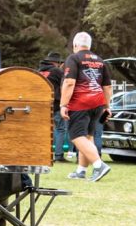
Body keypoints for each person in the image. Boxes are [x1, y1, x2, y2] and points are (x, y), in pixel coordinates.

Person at [61, 32, 112, 182]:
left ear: (75, 45)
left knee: (76, 136)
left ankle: (99, 165)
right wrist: (107, 106)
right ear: (89, 45)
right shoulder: (100, 60)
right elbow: (107, 87)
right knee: (88, 137)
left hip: (80, 103)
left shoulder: (73, 58)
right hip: (97, 104)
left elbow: (69, 82)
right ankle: (81, 171)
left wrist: (63, 104)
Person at [38, 52, 69, 162]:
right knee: (60, 129)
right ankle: (58, 155)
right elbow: (65, 84)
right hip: (55, 104)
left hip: (41, 104)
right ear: (56, 62)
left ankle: (44, 154)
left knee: (45, 130)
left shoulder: (39, 71)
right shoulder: (57, 71)